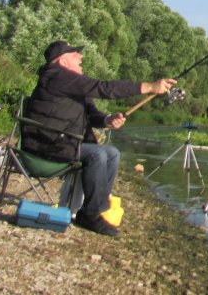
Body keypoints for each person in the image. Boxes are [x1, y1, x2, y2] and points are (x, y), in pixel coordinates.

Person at [21, 40, 176, 237]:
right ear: (62, 61)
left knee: (111, 153)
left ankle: (95, 210)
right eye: (74, 53)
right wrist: (149, 87)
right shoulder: (57, 77)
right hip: (46, 147)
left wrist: (107, 119)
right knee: (96, 155)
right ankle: (91, 215)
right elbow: (104, 88)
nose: (81, 56)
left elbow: (92, 115)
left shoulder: (70, 84)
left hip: (62, 144)